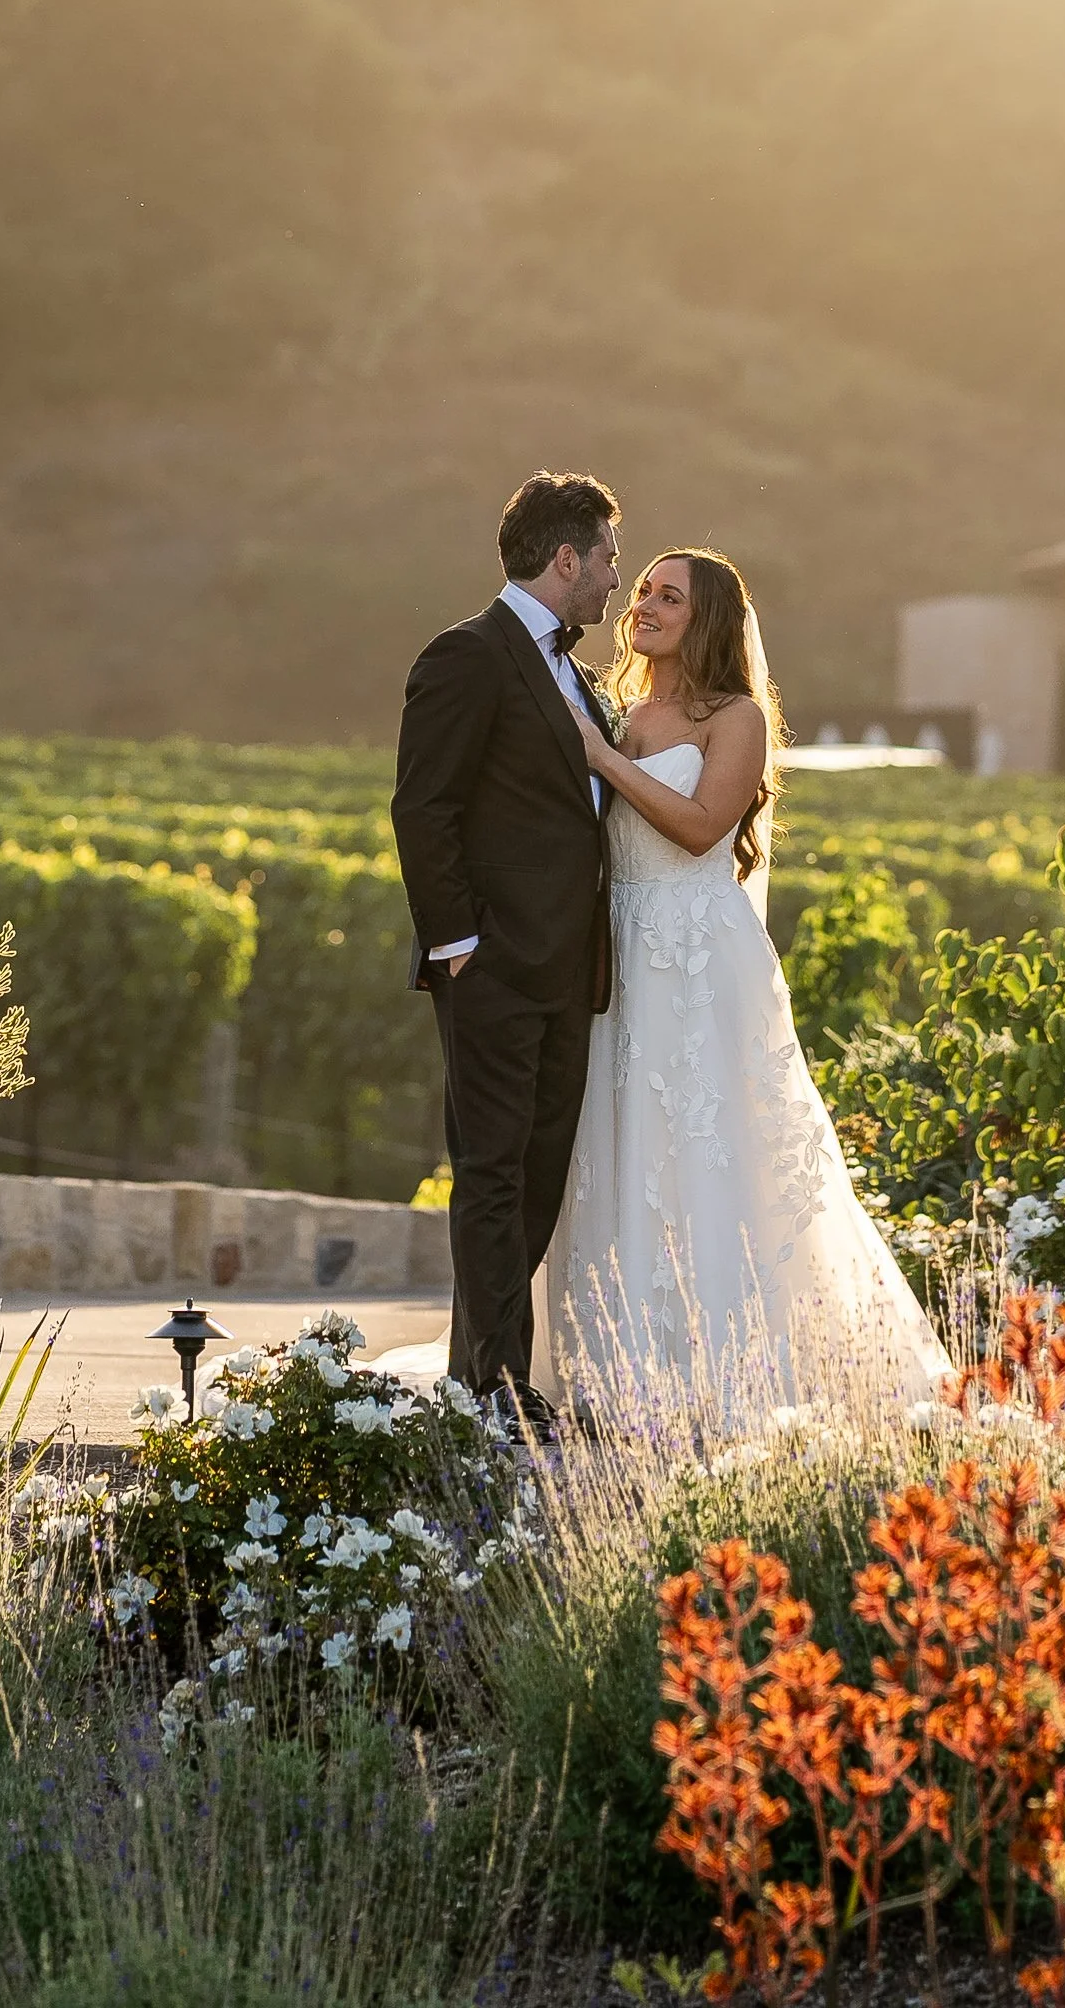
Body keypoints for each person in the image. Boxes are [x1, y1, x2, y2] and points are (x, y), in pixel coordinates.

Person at [538, 545, 943, 1407]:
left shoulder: (736, 718)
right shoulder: (621, 712)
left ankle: (724, 1370)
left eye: (667, 596)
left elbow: (699, 826)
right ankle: (616, 1370)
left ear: (707, 619)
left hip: (697, 955)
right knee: (621, 1140)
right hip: (623, 953)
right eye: (642, 589)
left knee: (706, 1146)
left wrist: (600, 760)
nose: (643, 605)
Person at [389, 469, 622, 1423]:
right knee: (491, 1171)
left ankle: (472, 1371)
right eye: (608, 557)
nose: (616, 576)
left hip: (568, 973)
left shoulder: (579, 672)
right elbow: (423, 806)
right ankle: (495, 1386)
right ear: (566, 558)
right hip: (490, 967)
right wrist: (458, 947)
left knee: (537, 1173)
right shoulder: (467, 656)